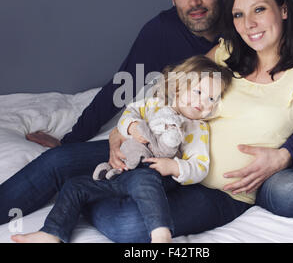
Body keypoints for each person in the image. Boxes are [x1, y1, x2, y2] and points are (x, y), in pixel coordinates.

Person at [0, 0, 293, 241]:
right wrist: (121, 129)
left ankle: (87, 192)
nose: (249, 24)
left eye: (260, 10)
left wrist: (287, 153)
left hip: (218, 189)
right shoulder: (228, 49)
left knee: (126, 225)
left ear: (283, 10)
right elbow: (150, 87)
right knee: (57, 161)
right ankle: (91, 184)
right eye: (239, 15)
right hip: (166, 143)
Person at [11, 56, 232, 243]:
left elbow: (200, 166)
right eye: (198, 92)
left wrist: (174, 166)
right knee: (75, 185)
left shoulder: (197, 128)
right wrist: (132, 127)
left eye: (212, 99)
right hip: (121, 172)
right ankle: (52, 232)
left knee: (143, 179)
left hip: (154, 176)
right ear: (178, 86)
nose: (203, 102)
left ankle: (160, 232)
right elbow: (128, 115)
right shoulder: (154, 105)